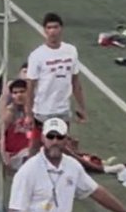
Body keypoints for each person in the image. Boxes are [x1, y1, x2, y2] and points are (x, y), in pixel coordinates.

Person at [25, 12, 86, 142]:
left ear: (61, 29)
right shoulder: (37, 55)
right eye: (49, 28)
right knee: (37, 145)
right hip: (43, 110)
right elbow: (30, 86)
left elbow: (75, 81)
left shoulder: (71, 50)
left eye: (55, 27)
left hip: (63, 108)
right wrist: (28, 114)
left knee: (61, 145)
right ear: (45, 30)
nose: (52, 31)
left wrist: (82, 107)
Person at [0, 77, 33, 172]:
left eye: (22, 92)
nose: (19, 95)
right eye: (15, 93)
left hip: (32, 152)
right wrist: (4, 157)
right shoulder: (10, 113)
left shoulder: (34, 112)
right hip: (17, 156)